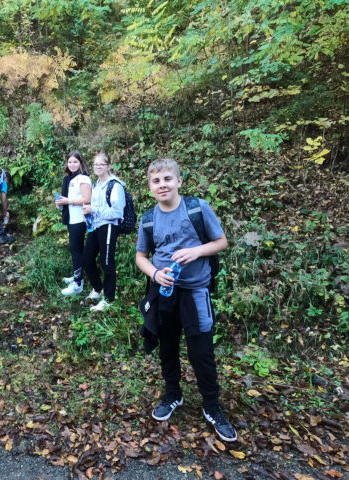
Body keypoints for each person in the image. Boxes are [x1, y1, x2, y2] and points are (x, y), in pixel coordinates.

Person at [135, 158, 237, 442]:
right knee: (167, 347)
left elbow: (221, 242)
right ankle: (173, 394)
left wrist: (197, 251)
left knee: (201, 351)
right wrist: (155, 274)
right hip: (164, 294)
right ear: (150, 187)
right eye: (156, 181)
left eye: (167, 179)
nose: (162, 185)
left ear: (179, 181)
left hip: (195, 292)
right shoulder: (148, 219)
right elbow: (141, 257)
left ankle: (212, 406)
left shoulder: (197, 208)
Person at [82, 152, 125, 312]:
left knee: (107, 262)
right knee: (87, 259)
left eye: (101, 164)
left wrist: (94, 209)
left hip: (109, 226)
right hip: (96, 225)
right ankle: (98, 288)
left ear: (109, 166)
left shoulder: (115, 185)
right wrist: (88, 215)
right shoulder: (95, 185)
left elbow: (117, 212)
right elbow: (94, 207)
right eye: (95, 164)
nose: (98, 167)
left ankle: (108, 298)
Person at [55, 151, 92, 296]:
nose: (72, 164)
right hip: (71, 218)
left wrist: (68, 201)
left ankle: (78, 284)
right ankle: (78, 276)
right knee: (76, 249)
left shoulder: (83, 178)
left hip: (79, 219)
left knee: (76, 250)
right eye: (70, 162)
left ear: (81, 163)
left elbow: (87, 199)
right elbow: (69, 198)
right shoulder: (69, 178)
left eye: (75, 162)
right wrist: (60, 202)